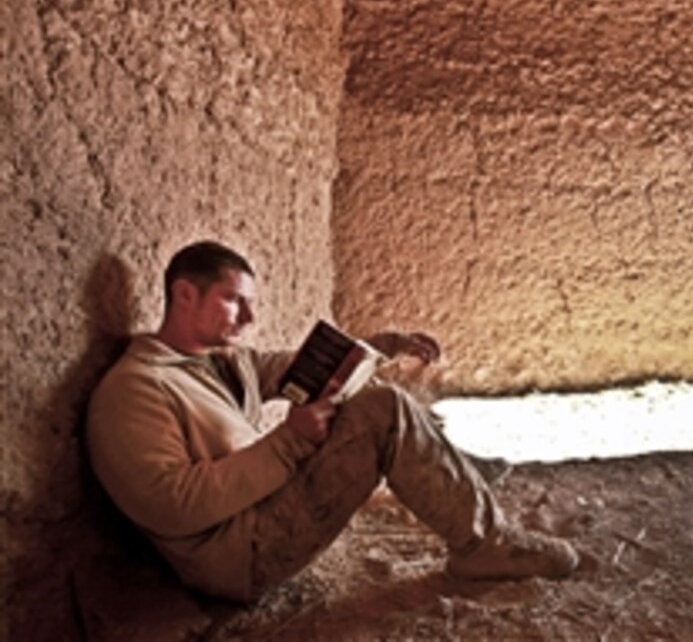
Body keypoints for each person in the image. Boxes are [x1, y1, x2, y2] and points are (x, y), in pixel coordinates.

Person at [85, 240, 578, 602]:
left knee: (374, 400)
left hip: (263, 510)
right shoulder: (136, 389)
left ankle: (462, 489)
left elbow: (302, 370)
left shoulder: (221, 362)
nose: (249, 317)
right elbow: (173, 505)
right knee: (384, 411)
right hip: (240, 554)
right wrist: (287, 444)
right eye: (235, 300)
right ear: (185, 294)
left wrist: (381, 346)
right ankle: (485, 544)